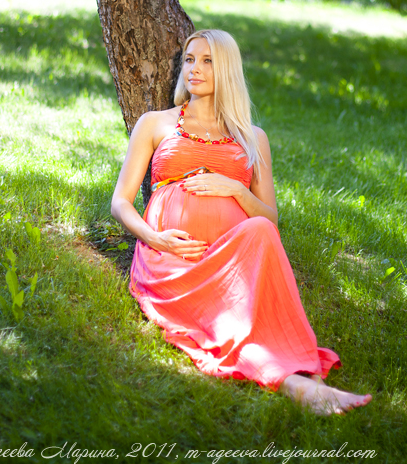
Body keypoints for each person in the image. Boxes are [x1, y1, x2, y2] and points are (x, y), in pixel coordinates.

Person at [111, 29, 372, 415]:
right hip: (174, 259)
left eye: (207, 61)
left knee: (261, 230)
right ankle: (298, 385)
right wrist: (155, 238)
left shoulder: (252, 137)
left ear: (228, 70)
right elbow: (120, 201)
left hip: (234, 262)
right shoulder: (155, 123)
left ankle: (304, 380)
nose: (194, 69)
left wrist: (236, 189)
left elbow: (270, 217)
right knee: (232, 322)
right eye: (189, 59)